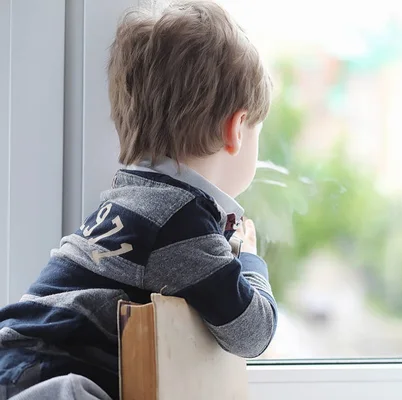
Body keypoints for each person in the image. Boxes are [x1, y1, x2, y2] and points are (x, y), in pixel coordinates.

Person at [0, 1, 277, 398]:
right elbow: (253, 332)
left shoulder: (128, 199)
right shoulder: (181, 222)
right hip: (51, 380)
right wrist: (250, 261)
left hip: (16, 355)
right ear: (235, 129)